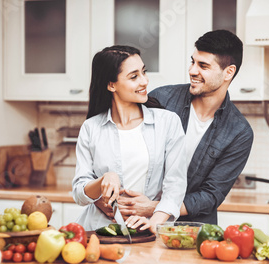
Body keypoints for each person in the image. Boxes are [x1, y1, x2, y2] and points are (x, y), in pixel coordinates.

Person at [97, 30, 254, 225]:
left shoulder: (239, 131)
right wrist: (101, 198)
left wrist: (155, 207)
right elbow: (114, 146)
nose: (192, 70)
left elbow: (211, 195)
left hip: (188, 231)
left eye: (203, 66)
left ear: (228, 72)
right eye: (193, 62)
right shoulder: (162, 99)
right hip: (131, 220)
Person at [72, 45, 187, 233]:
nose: (144, 81)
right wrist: (104, 180)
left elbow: (175, 185)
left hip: (148, 231)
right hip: (99, 231)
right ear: (111, 85)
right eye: (134, 77)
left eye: (143, 72)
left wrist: (155, 222)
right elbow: (79, 193)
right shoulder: (91, 128)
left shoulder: (167, 123)